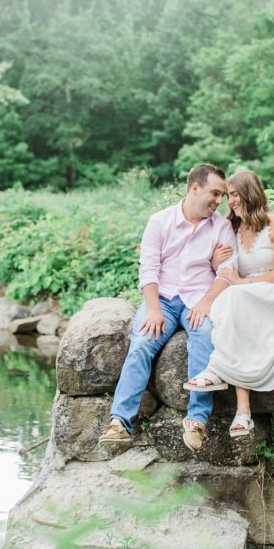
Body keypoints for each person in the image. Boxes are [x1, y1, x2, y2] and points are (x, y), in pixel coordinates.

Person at [98, 164, 237, 452]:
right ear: (194, 188)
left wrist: (207, 302)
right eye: (214, 193)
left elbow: (227, 271)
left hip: (198, 298)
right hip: (161, 299)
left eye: (222, 195)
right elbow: (148, 269)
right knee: (141, 343)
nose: (219, 201)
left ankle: (197, 420)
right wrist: (153, 310)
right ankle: (120, 422)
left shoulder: (221, 227)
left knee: (204, 334)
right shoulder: (160, 222)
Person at [184, 170, 274, 438]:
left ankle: (216, 369)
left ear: (250, 192)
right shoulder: (233, 227)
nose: (230, 202)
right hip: (245, 293)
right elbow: (222, 267)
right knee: (231, 306)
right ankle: (242, 413)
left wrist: (240, 283)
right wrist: (217, 262)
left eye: (235, 195)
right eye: (228, 196)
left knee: (233, 298)